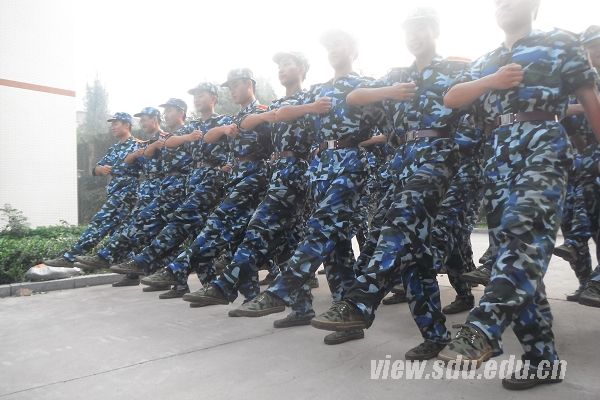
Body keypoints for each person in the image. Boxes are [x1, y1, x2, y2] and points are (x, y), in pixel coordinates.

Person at [437, 0, 600, 390]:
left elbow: (590, 100)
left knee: (523, 236)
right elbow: (452, 97)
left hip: (544, 143)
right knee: (512, 254)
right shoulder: (488, 60)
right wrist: (490, 81)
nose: (504, 4)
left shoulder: (560, 42)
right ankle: (542, 360)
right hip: (500, 155)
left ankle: (484, 327)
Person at [44, 112, 141, 268]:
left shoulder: (138, 145)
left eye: (116, 123)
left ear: (127, 125)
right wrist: (100, 169)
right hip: (114, 192)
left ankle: (70, 257)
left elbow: (150, 169)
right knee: (119, 232)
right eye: (112, 124)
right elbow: (95, 169)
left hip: (127, 193)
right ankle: (132, 269)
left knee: (99, 222)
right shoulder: (115, 148)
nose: (112, 127)